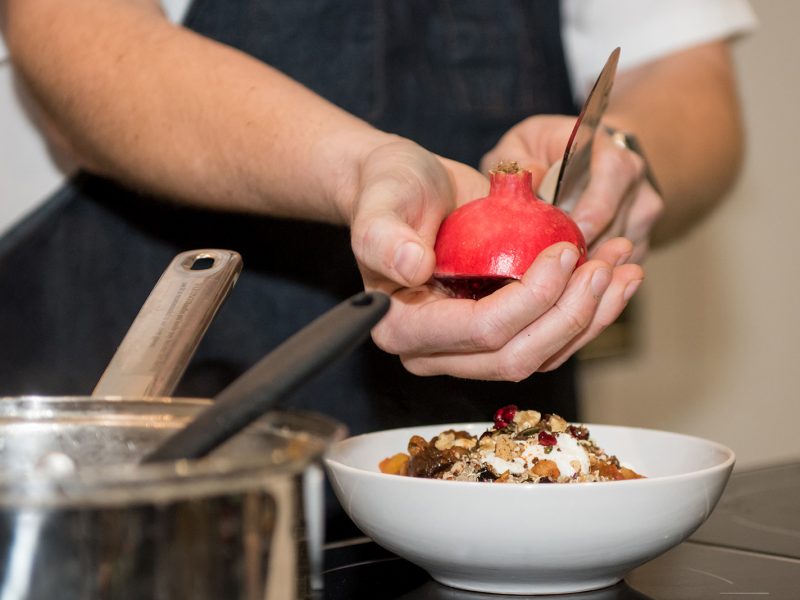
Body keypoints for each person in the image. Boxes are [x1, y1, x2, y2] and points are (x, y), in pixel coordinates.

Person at [0, 1, 753, 535]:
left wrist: (624, 164)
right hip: (136, 362)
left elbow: (685, 67)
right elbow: (73, 29)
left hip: (502, 474)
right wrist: (363, 168)